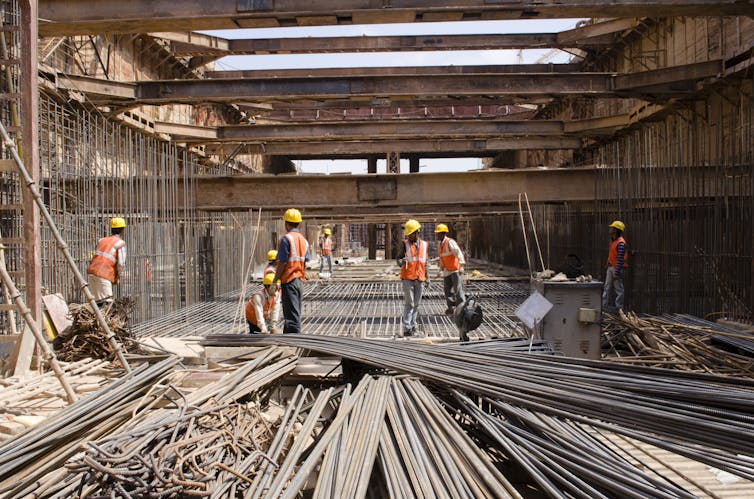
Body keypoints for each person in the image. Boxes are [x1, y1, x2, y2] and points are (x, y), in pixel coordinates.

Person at [273, 208, 310, 334]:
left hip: (289, 281)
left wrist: (274, 280)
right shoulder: (304, 240)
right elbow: (305, 261)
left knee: (292, 317)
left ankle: (295, 343)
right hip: (299, 281)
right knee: (293, 314)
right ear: (298, 223)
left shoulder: (286, 239)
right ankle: (287, 339)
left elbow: (282, 262)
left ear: (286, 223)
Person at [396, 219, 429, 337]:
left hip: (419, 278)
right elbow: (398, 260)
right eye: (408, 234)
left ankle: (413, 327)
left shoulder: (424, 245)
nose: (409, 236)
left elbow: (425, 263)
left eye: (411, 234)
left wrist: (427, 278)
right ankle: (406, 328)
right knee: (409, 304)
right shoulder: (404, 244)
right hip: (408, 278)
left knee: (416, 304)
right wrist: (401, 261)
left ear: (417, 232)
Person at [87, 217, 127, 301]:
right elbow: (121, 264)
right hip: (104, 274)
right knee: (107, 304)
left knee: (97, 303)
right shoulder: (120, 243)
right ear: (123, 229)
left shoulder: (101, 240)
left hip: (92, 272)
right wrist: (119, 277)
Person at [435, 224, 466, 314]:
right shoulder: (440, 244)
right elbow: (442, 257)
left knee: (458, 290)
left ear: (443, 233)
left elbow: (458, 252)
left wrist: (462, 265)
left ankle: (462, 310)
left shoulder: (450, 242)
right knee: (447, 291)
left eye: (438, 233)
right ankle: (451, 308)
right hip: (447, 271)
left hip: (455, 270)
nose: (437, 235)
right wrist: (441, 270)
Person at [603, 220, 628, 312]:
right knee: (607, 287)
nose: (610, 229)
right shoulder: (613, 241)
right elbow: (612, 254)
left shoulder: (620, 243)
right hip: (611, 267)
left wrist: (616, 272)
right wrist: (608, 263)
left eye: (612, 228)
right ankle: (603, 306)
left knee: (619, 289)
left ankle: (619, 308)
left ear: (616, 230)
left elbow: (620, 259)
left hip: (616, 268)